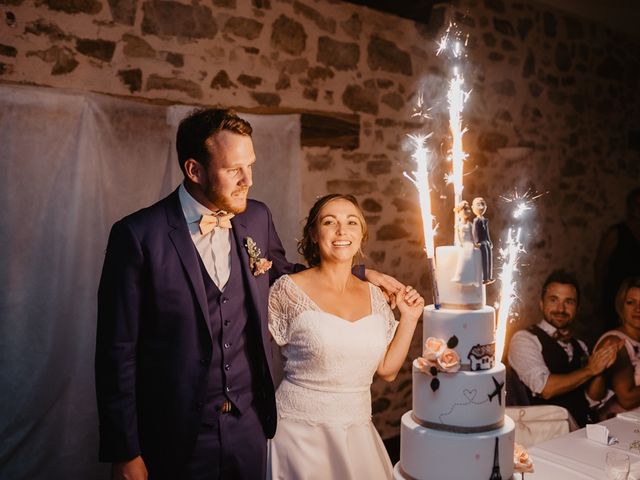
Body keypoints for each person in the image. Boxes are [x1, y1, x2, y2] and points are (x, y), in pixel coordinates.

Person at [95, 109, 402, 480]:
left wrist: (357, 273)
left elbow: (289, 277)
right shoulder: (138, 236)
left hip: (251, 428)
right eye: (233, 170)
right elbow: (117, 353)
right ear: (195, 171)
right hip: (176, 433)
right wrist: (125, 452)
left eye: (251, 165)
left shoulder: (256, 218)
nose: (248, 180)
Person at [267, 194, 424, 479]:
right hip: (298, 435)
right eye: (330, 222)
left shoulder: (377, 296)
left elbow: (387, 371)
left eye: (352, 222)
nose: (342, 231)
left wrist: (410, 319)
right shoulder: (287, 290)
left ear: (361, 235)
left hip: (358, 433)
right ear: (314, 234)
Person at [507, 270, 619, 427]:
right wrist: (590, 370)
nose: (561, 309)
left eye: (569, 302)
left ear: (577, 308)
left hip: (583, 427)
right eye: (553, 300)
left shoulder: (580, 345)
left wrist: (601, 367)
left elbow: (593, 398)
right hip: (545, 432)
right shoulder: (524, 339)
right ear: (541, 303)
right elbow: (546, 389)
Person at [595, 187, 640, 335]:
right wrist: (599, 295)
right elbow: (600, 264)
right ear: (630, 207)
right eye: (636, 205)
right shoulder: (616, 233)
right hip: (616, 295)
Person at [594, 277, 640, 417]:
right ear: (621, 306)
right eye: (631, 303)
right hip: (619, 424)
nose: (638, 309)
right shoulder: (615, 341)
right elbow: (626, 399)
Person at [451, 200, 482, 286]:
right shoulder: (458, 225)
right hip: (463, 244)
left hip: (469, 243)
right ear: (460, 211)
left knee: (471, 259)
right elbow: (458, 235)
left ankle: (472, 278)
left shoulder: (470, 224)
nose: (467, 211)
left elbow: (473, 235)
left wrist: (475, 243)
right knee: (462, 258)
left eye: (468, 209)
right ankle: (460, 276)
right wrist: (460, 243)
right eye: (465, 209)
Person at [471, 196, 494, 284]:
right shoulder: (476, 220)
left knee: (489, 259)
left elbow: (487, 232)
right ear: (473, 207)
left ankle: (489, 276)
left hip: (486, 242)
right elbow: (474, 232)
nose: (481, 206)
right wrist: (476, 242)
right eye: (478, 204)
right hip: (481, 243)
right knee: (484, 259)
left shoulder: (485, 220)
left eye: (483, 204)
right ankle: (485, 278)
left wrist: (489, 241)